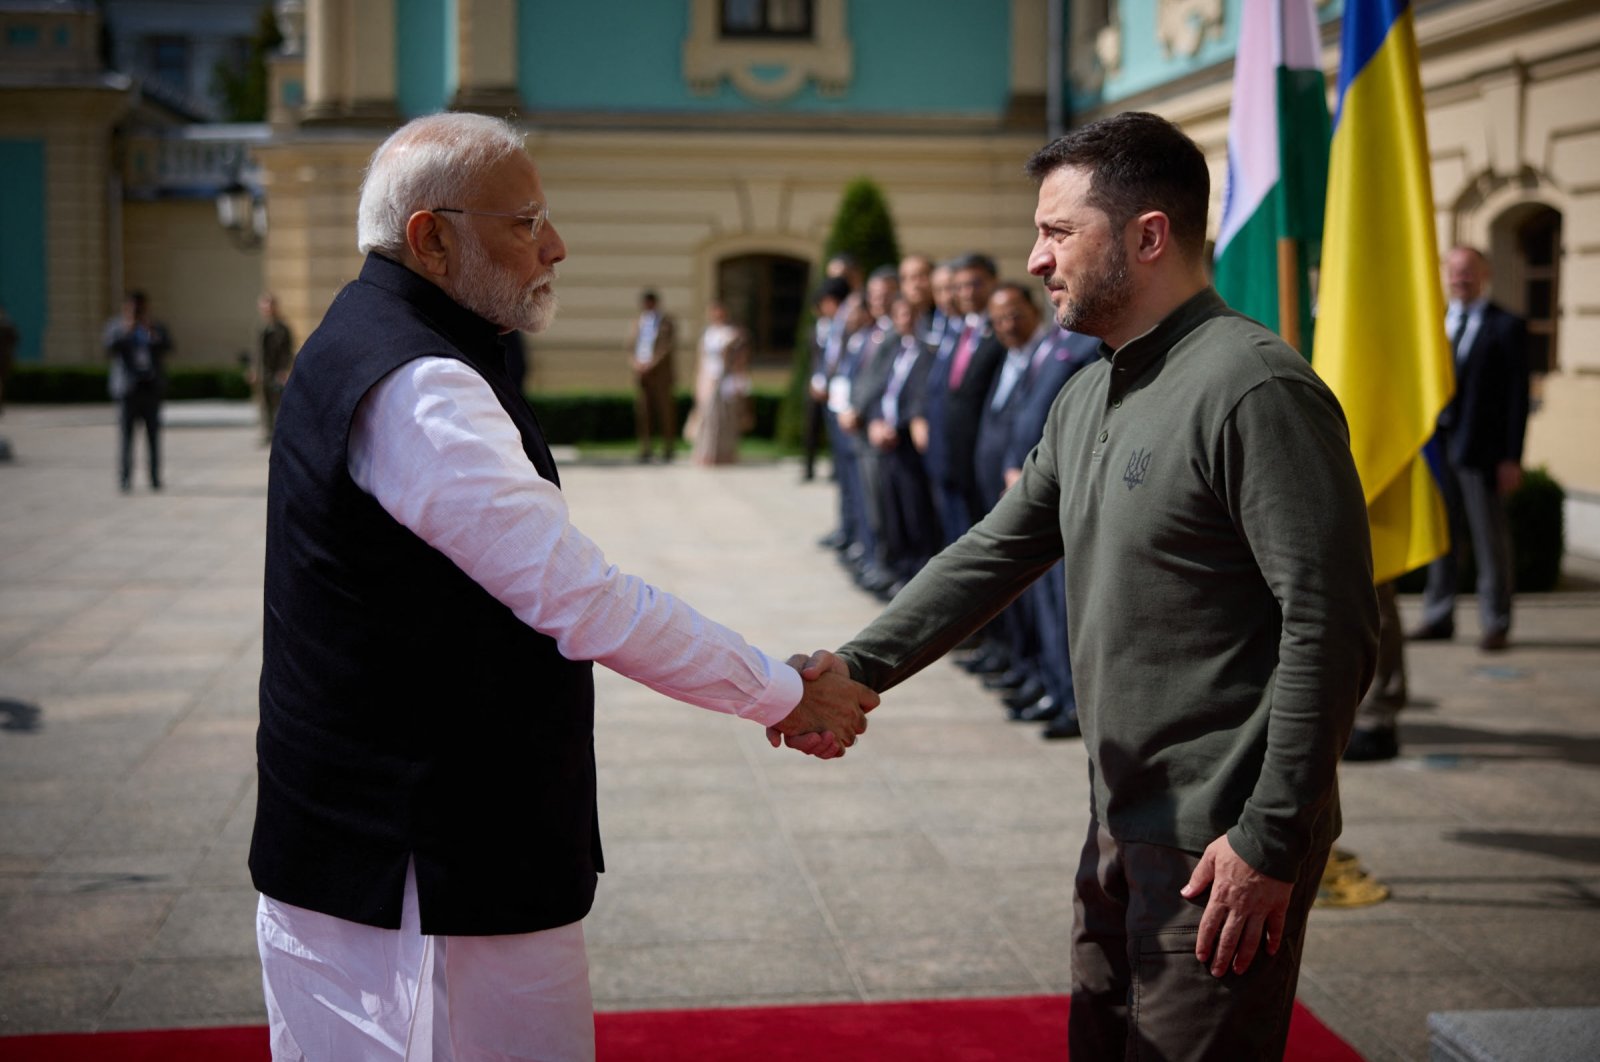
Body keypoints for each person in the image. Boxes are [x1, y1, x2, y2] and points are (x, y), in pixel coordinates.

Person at [251, 112, 875, 1062]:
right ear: (431, 237)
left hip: (384, 850)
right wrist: (782, 692)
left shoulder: (374, 329)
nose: (556, 245)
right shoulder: (421, 383)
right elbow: (582, 599)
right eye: (525, 222)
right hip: (425, 873)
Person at [787, 112, 1378, 1060]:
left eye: (1059, 231)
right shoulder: (1089, 390)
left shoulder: (1252, 387)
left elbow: (1333, 627)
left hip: (1220, 841)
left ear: (1148, 236)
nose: (1034, 258)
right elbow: (994, 552)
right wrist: (854, 666)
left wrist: (1272, 835)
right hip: (1119, 821)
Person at [1409, 245, 1531, 653]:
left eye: (1469, 272)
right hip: (1437, 450)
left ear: (1485, 274)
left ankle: (1496, 623)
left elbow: (1517, 398)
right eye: (1455, 272)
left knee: (1489, 540)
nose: (1461, 279)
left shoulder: (1507, 326)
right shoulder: (1435, 322)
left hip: (1482, 453)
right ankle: (1438, 614)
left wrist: (1512, 457)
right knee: (1441, 537)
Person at [104, 291, 172, 492]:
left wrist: (152, 333)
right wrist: (127, 330)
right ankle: (125, 479)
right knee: (126, 437)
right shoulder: (116, 326)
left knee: (153, 437)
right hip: (127, 390)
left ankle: (154, 477)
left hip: (150, 388)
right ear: (126, 307)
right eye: (133, 308)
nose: (137, 312)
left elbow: (168, 346)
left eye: (140, 308)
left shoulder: (154, 326)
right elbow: (109, 347)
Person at [688, 298, 751, 466]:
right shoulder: (707, 334)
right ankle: (707, 453)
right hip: (708, 378)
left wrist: (740, 380)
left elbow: (740, 360)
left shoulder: (732, 333)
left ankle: (725, 454)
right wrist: (699, 381)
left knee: (726, 419)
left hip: (726, 379)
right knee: (708, 418)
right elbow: (701, 360)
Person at [628, 289, 677, 462]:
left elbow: (666, 347)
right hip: (642, 374)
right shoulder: (638, 322)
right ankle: (646, 448)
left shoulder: (666, 322)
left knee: (665, 411)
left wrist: (651, 364)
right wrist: (636, 363)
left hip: (660, 375)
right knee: (644, 412)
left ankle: (668, 448)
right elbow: (631, 346)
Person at [253, 294, 295, 445]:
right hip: (264, 372)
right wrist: (254, 371)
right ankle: (267, 433)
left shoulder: (283, 329)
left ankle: (279, 433)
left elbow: (288, 352)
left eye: (268, 307)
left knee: (278, 403)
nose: (266, 310)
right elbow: (258, 352)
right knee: (264, 403)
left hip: (277, 372)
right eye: (263, 307)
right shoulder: (262, 328)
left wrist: (284, 370)